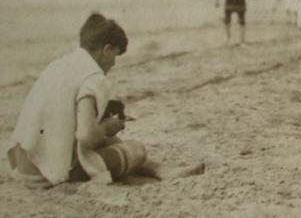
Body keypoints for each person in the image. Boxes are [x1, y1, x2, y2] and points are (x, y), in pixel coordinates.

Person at [7, 14, 204, 189]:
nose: (114, 63)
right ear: (107, 49)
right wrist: (107, 127)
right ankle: (159, 169)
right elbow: (87, 137)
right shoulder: (93, 76)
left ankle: (160, 169)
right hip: (47, 173)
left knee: (111, 141)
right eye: (115, 55)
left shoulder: (60, 64)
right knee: (137, 150)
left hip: (24, 162)